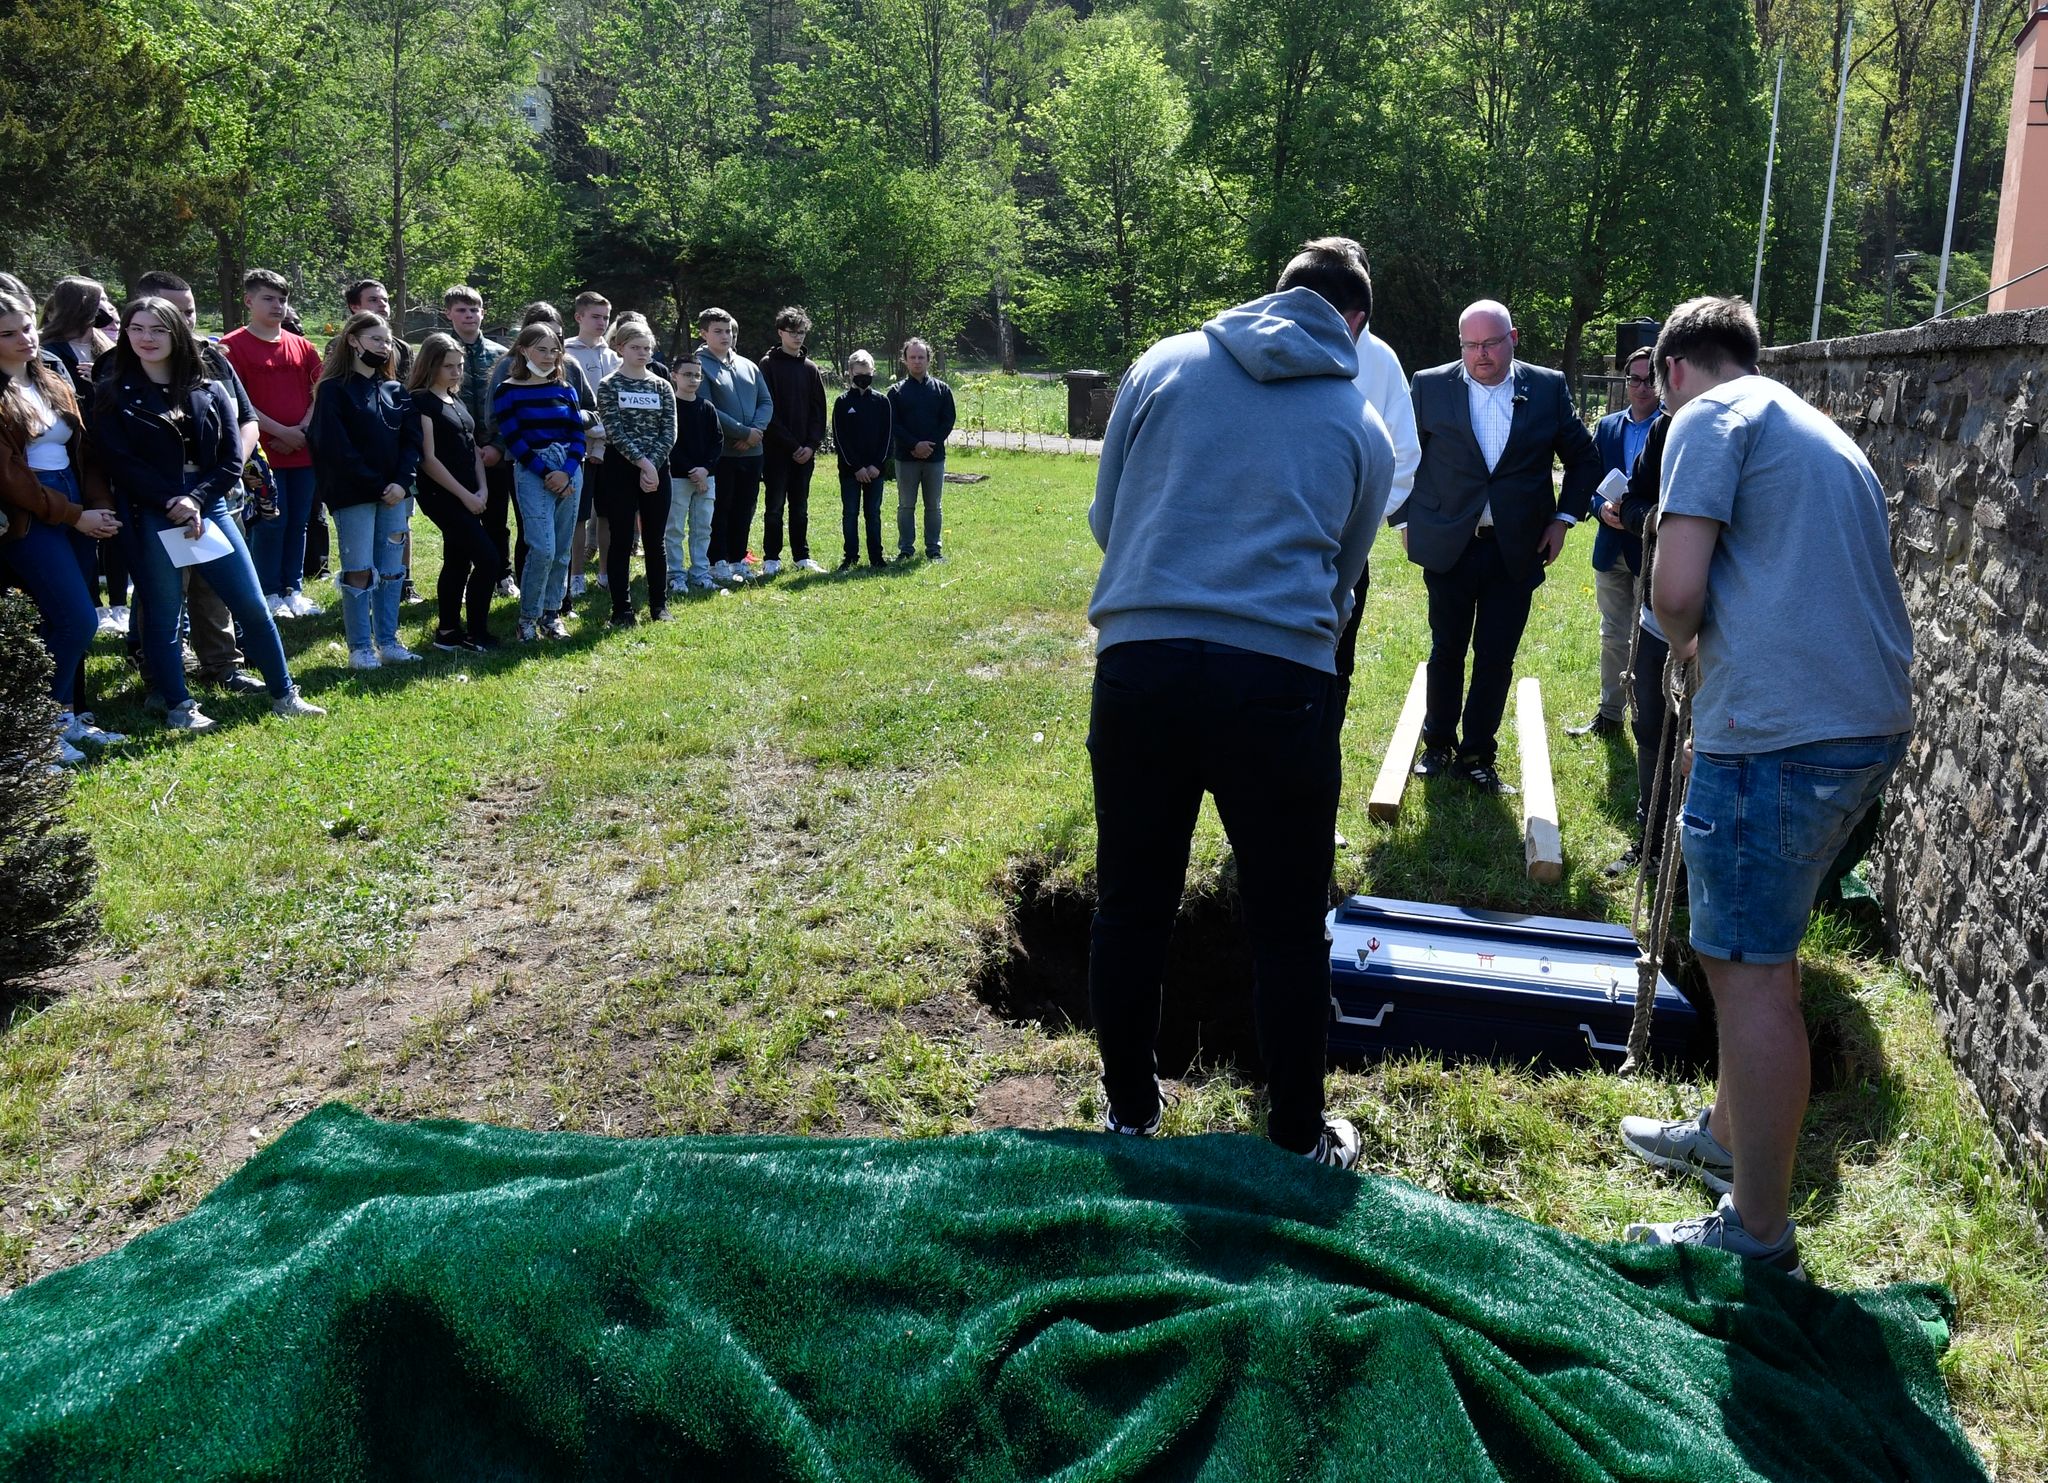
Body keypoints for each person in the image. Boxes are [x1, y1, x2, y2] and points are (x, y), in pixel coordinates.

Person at [1620, 296, 1914, 1280]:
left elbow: (1670, 591)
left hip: (1780, 734)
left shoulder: (1708, 416)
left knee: (1745, 973)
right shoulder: (1818, 429)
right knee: (1764, 954)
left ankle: (1755, 1235)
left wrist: (1684, 644)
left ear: (1668, 372)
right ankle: (1721, 1135)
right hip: (1852, 725)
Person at [1085, 237, 1393, 1169]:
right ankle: (1297, 1133)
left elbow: (1107, 517)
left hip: (1140, 666)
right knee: (1289, 925)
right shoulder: (1361, 423)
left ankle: (1130, 1110)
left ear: (1276, 296)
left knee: (1132, 904)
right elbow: (1346, 575)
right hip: (1280, 690)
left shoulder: (1162, 365)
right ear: (1355, 324)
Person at [1395, 299, 1599, 795]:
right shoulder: (1428, 385)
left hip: (1517, 546)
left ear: (1513, 339)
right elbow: (1400, 454)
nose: (1480, 354)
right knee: (1446, 648)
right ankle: (1438, 745)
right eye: (1470, 344)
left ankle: (1477, 753)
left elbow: (1584, 458)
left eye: (1490, 343)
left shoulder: (1546, 388)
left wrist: (1563, 519)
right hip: (1450, 544)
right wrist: (1403, 518)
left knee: (1496, 655)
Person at [94, 297, 323, 730]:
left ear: (177, 333)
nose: (147, 338)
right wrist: (172, 501)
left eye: (158, 329)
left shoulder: (209, 387)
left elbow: (232, 459)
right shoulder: (113, 394)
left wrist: (196, 499)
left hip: (209, 503)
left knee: (252, 606)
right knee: (163, 614)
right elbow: (119, 462)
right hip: (153, 510)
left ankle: (285, 694)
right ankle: (179, 706)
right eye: (137, 328)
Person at [125, 271, 268, 700]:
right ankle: (159, 674)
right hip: (163, 502)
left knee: (215, 587)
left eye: (189, 311)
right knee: (164, 592)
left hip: (218, 494)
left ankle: (222, 665)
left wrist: (225, 470)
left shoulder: (214, 359)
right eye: (176, 313)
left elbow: (247, 419)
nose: (186, 321)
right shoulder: (128, 367)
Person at [0, 291, 123, 764]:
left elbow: (84, 452)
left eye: (27, 327)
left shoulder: (51, 378)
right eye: (8, 333)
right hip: (30, 517)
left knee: (65, 621)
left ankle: (67, 720)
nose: (25, 339)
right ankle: (39, 732)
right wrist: (76, 515)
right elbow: (10, 482)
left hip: (74, 503)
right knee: (76, 620)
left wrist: (98, 503)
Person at [309, 311, 422, 669]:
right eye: (375, 339)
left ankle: (388, 641)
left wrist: (401, 483)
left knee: (391, 570)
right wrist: (376, 485)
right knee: (358, 569)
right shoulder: (333, 390)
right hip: (354, 494)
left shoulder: (396, 391)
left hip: (394, 496)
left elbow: (411, 441)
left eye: (387, 341)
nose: (383, 347)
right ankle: (360, 648)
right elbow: (336, 447)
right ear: (353, 341)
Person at [1568, 345, 1662, 739]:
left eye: (1649, 379)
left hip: (1652, 548)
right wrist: (1599, 507)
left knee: (1651, 635)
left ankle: (1650, 715)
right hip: (1610, 547)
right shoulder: (1607, 427)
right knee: (1612, 633)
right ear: (1625, 382)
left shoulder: (1672, 427)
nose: (1641, 388)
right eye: (1634, 379)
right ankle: (1609, 714)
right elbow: (1591, 482)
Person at [221, 269, 324, 621]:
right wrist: (280, 432)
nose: (278, 306)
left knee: (300, 521)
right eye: (268, 298)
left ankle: (292, 588)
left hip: (303, 450)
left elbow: (318, 390)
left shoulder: (302, 346)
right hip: (261, 455)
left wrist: (302, 429)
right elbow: (237, 400)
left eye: (282, 299)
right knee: (269, 523)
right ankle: (267, 591)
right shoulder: (232, 346)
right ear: (249, 301)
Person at [1333, 303, 1421, 684]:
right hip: (1267, 547)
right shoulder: (1266, 350)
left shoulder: (1381, 360)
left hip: (1343, 552)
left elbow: (1404, 455)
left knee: (1336, 667)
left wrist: (1360, 519)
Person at [1603, 411, 1673, 880]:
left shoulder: (1762, 429)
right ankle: (1650, 842)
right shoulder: (1667, 427)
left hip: (1728, 626)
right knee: (1650, 727)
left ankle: (1688, 860)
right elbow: (1637, 497)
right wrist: (1650, 517)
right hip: (1657, 617)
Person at [37, 277, 125, 636]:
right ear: (83, 304)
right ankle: (93, 602)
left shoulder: (108, 345)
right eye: (100, 298)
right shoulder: (51, 349)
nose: (106, 306)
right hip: (78, 451)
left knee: (114, 520)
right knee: (86, 523)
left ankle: (119, 601)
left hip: (114, 446)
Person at [492, 322, 586, 642]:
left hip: (570, 470)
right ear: (523, 350)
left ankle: (551, 615)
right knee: (542, 548)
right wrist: (547, 473)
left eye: (554, 350)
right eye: (541, 349)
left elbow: (577, 435)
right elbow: (513, 439)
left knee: (562, 551)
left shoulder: (565, 388)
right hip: (533, 471)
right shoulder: (507, 390)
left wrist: (568, 471)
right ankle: (527, 618)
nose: (549, 356)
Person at [407, 332, 501, 652]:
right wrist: (466, 495)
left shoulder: (455, 399)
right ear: (430, 365)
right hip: (441, 495)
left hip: (472, 492)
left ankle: (448, 633)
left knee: (458, 560)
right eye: (448, 366)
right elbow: (429, 460)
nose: (456, 371)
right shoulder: (422, 401)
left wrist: (483, 488)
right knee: (488, 559)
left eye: (459, 365)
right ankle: (476, 632)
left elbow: (473, 450)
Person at [594, 323, 676, 624]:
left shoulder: (661, 385)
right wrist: (643, 463)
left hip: (657, 469)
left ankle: (659, 606)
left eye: (646, 348)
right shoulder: (608, 384)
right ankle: (622, 610)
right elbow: (614, 431)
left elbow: (669, 430)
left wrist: (653, 465)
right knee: (621, 539)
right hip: (621, 469)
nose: (642, 353)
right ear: (620, 348)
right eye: (635, 348)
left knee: (655, 540)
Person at [443, 285, 514, 598]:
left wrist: (497, 446)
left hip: (494, 451)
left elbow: (509, 405)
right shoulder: (439, 353)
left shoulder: (502, 357)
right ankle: (459, 576)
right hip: (455, 453)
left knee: (497, 517)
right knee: (457, 520)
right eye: (461, 310)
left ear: (483, 313)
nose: (469, 315)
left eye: (474, 309)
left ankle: (503, 575)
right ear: (449, 314)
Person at [695, 307, 771, 584]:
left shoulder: (747, 365)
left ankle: (739, 559)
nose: (725, 336)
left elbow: (766, 401)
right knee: (721, 507)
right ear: (704, 333)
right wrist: (741, 432)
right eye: (718, 331)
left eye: (728, 330)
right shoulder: (699, 366)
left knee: (745, 506)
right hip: (722, 452)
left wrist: (756, 431)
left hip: (753, 451)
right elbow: (708, 407)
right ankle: (717, 561)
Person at [760, 306, 828, 574]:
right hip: (777, 451)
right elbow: (768, 411)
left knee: (800, 507)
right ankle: (771, 558)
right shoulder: (767, 365)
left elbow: (819, 411)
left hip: (805, 453)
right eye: (793, 332)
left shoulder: (810, 369)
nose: (798, 337)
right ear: (780, 333)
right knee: (774, 507)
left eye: (802, 332)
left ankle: (802, 556)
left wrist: (811, 445)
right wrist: (793, 445)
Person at [564, 291, 619, 597]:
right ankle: (576, 575)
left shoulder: (613, 356)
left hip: (610, 446)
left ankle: (605, 572)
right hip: (579, 447)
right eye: (595, 316)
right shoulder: (565, 353)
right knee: (579, 515)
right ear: (579, 317)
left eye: (605, 317)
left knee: (607, 513)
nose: (601, 323)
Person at [887, 337, 954, 562]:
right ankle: (906, 549)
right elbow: (893, 424)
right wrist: (914, 445)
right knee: (906, 505)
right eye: (912, 357)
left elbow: (947, 421)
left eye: (921, 357)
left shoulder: (942, 390)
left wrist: (928, 446)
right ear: (905, 360)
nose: (917, 361)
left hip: (934, 458)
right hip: (906, 458)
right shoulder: (895, 392)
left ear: (928, 360)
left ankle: (934, 549)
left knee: (933, 506)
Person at [666, 357, 722, 595]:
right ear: (674, 376)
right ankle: (675, 574)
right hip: (679, 477)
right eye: (687, 374)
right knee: (675, 528)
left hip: (705, 478)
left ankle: (700, 572)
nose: (693, 379)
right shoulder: (670, 408)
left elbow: (717, 441)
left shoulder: (707, 407)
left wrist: (705, 470)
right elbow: (670, 443)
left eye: (697, 375)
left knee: (703, 527)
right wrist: (692, 471)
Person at [831, 349, 891, 571]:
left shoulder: (882, 402)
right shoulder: (842, 402)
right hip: (850, 472)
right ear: (850, 373)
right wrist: (856, 467)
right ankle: (850, 556)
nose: (863, 378)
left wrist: (876, 465)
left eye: (867, 373)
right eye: (858, 374)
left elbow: (887, 437)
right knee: (850, 513)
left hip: (876, 471)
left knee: (873, 514)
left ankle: (877, 556)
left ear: (873, 372)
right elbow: (840, 439)